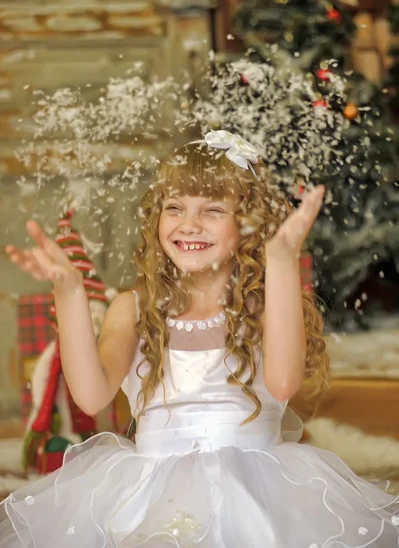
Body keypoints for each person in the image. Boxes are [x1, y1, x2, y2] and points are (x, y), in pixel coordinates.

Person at [1, 130, 398, 547]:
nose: (189, 224)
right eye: (174, 207)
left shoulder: (266, 306)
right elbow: (91, 395)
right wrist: (69, 294)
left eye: (212, 210)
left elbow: (283, 384)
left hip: (260, 491)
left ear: (248, 225)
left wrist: (281, 261)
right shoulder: (132, 309)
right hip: (149, 491)